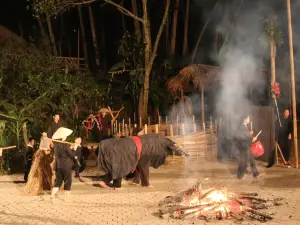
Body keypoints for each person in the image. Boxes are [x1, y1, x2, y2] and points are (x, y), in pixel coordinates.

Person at [97, 132, 188, 189]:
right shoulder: (155, 144)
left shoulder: (158, 140)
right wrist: (146, 184)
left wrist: (184, 153)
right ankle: (114, 184)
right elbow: (143, 166)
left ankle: (136, 182)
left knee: (128, 163)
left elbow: (140, 166)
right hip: (132, 148)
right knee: (122, 164)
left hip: (134, 147)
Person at [51, 127, 76, 201]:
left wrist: (70, 148)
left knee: (58, 181)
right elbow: (71, 155)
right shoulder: (65, 145)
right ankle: (67, 198)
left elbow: (63, 152)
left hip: (58, 165)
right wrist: (74, 149)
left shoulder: (56, 145)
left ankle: (52, 195)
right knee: (68, 181)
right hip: (66, 165)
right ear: (63, 137)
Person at [235, 115, 260, 179]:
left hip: (246, 146)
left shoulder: (244, 127)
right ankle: (239, 175)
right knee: (244, 162)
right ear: (245, 119)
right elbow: (241, 137)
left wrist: (250, 134)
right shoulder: (242, 127)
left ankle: (255, 173)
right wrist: (252, 139)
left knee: (251, 160)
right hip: (244, 146)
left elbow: (245, 135)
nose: (249, 119)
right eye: (248, 118)